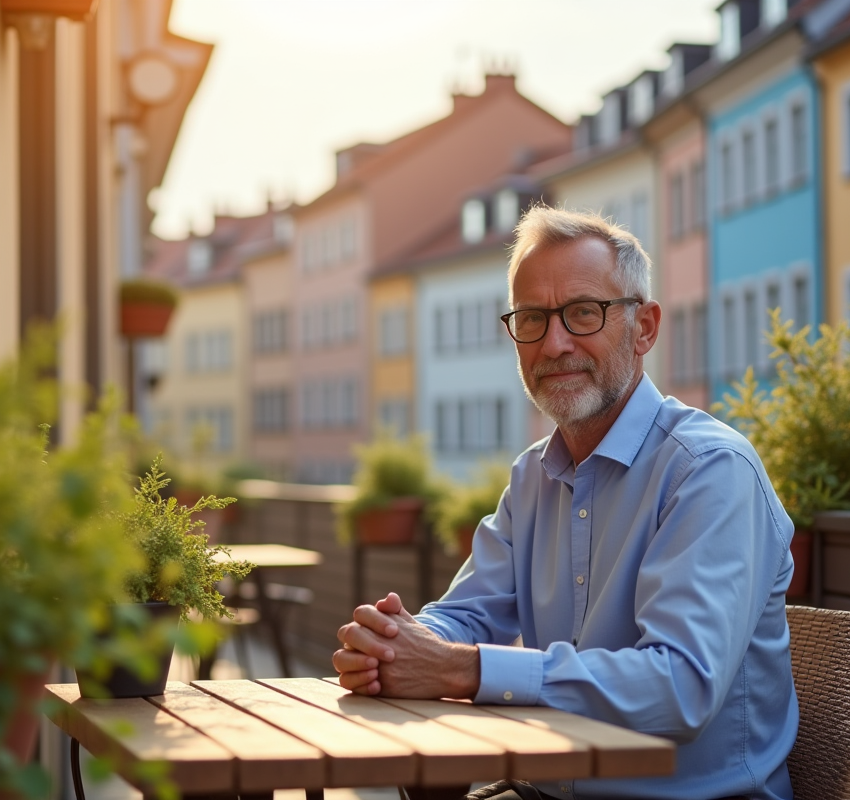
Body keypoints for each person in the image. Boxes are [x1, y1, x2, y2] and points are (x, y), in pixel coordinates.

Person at [333, 207, 798, 800]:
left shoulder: (708, 472)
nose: (554, 344)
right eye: (531, 318)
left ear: (645, 327)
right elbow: (469, 612)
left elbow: (680, 687)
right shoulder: (534, 475)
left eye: (583, 312)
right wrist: (396, 644)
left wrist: (458, 667)